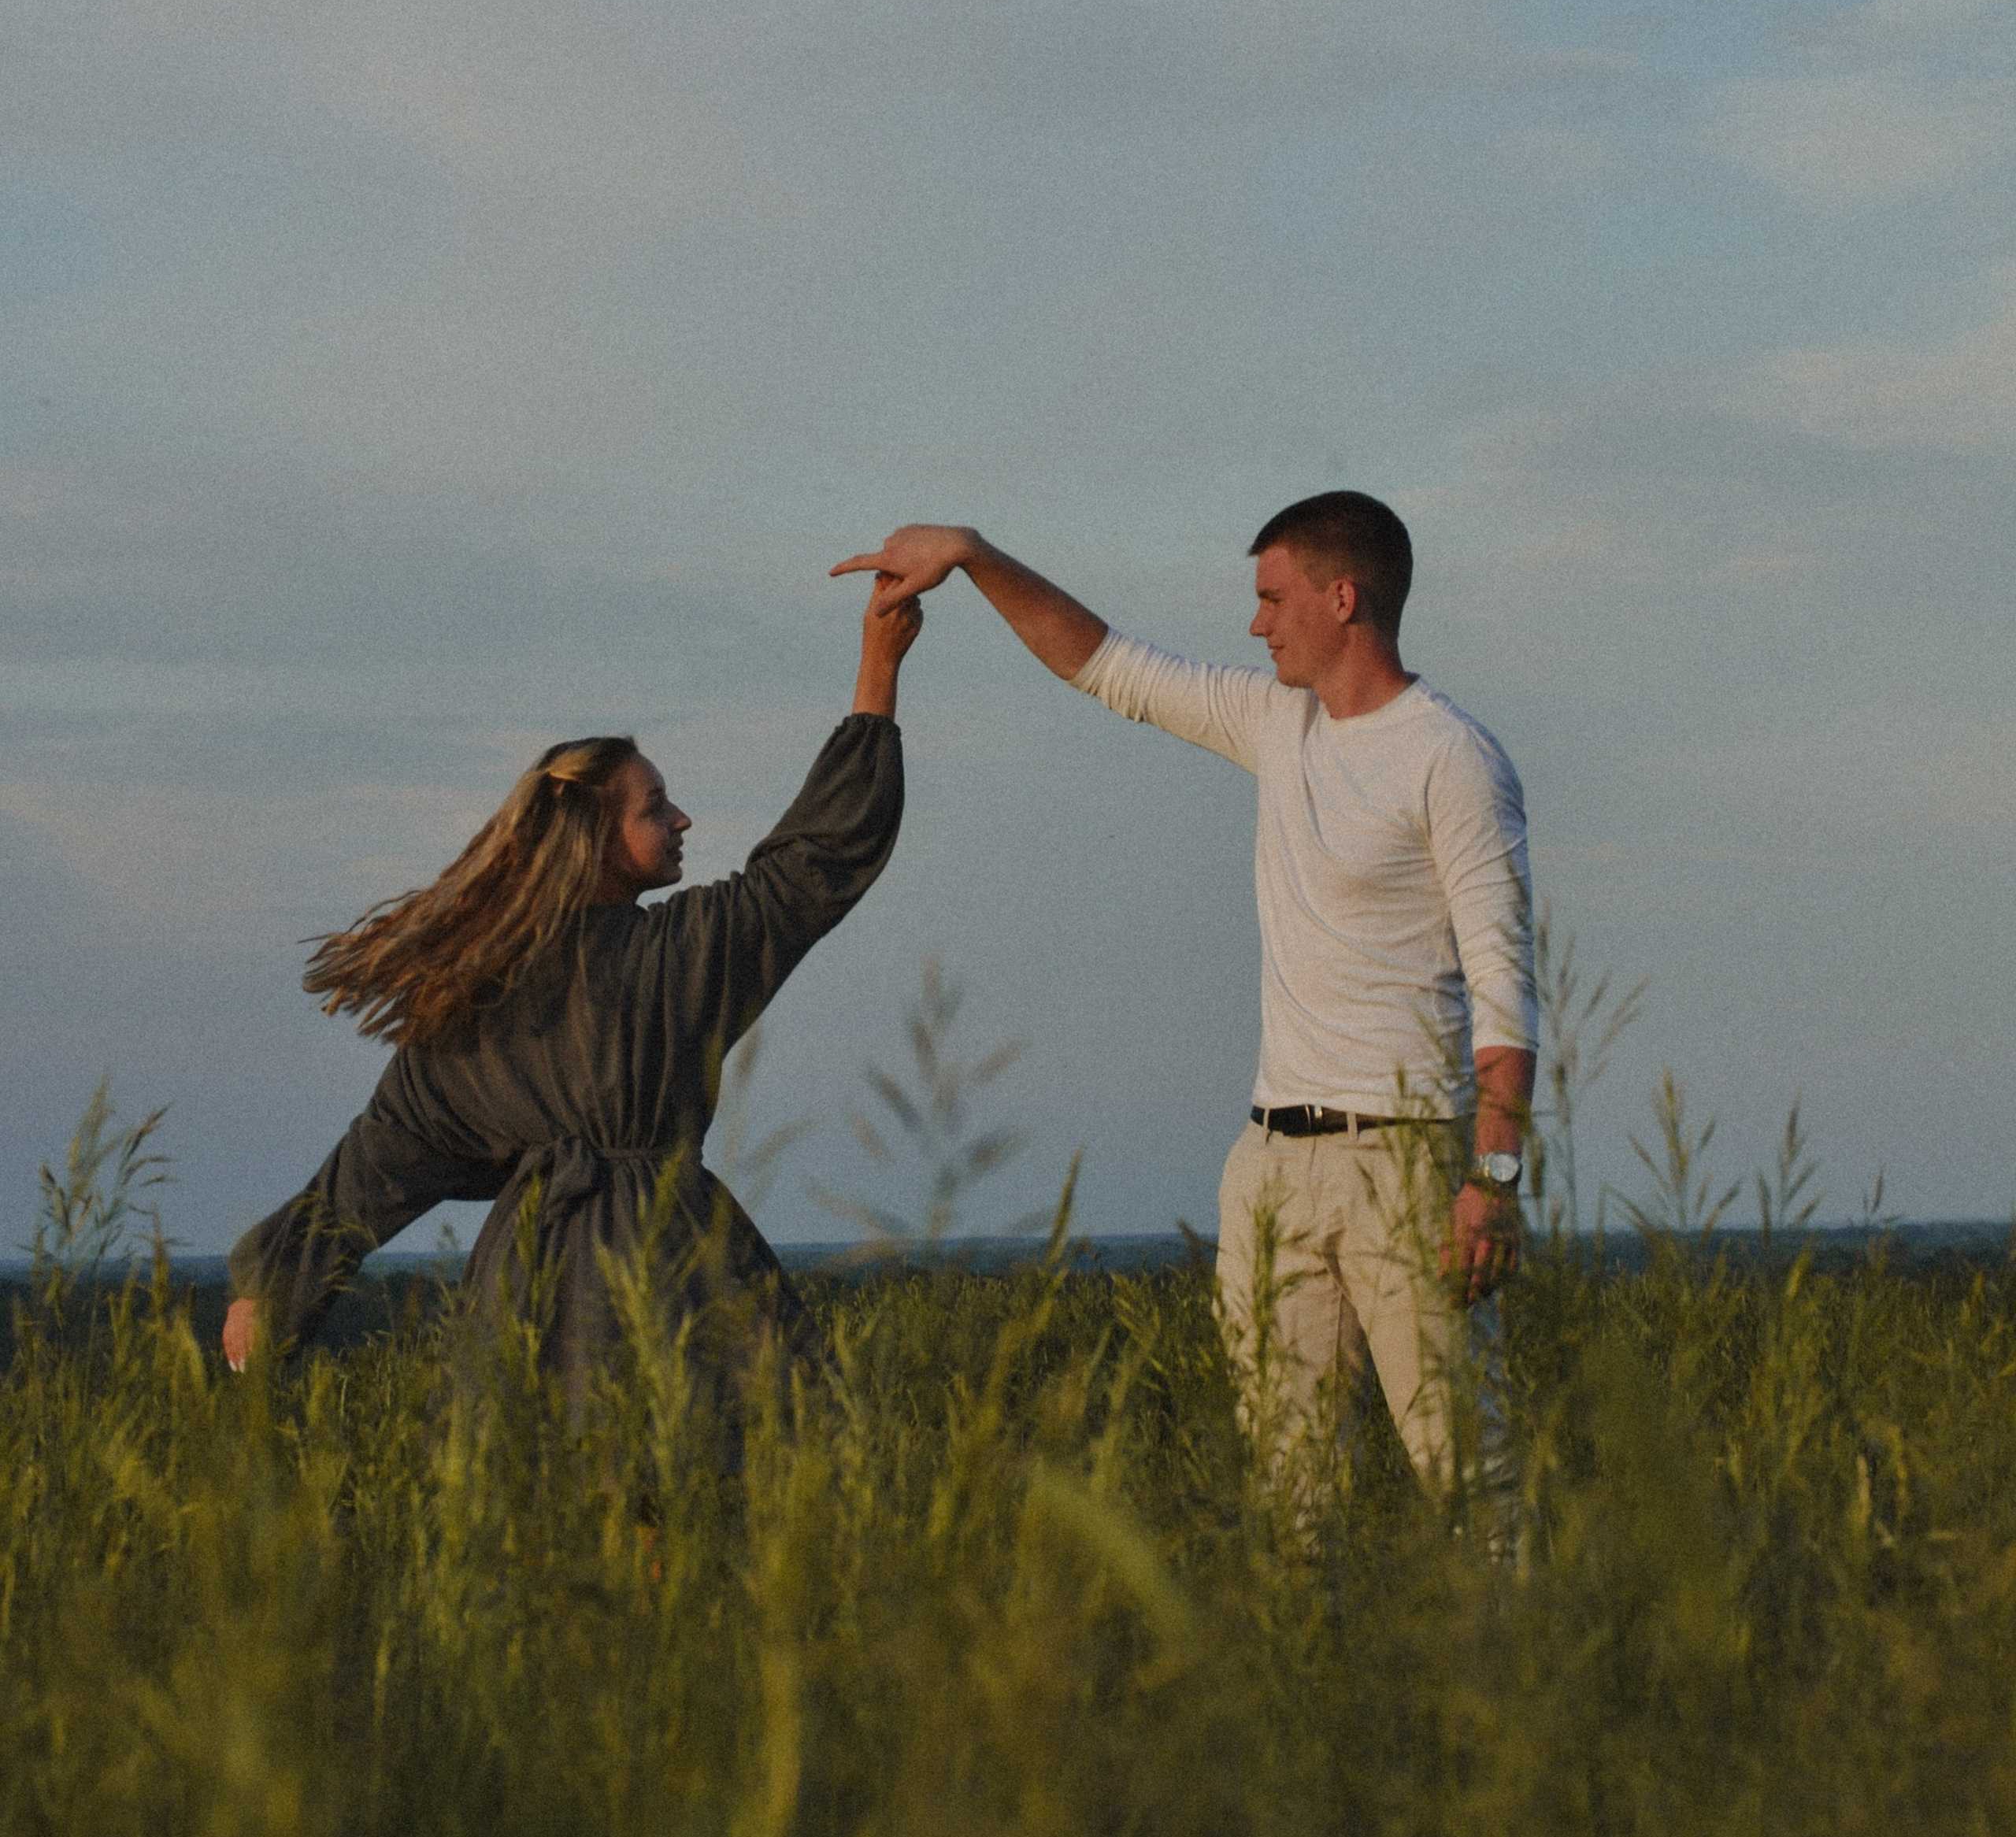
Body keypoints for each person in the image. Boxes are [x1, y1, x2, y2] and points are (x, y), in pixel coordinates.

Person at [833, 501, 1536, 1524]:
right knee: (1295, 1503)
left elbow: (1506, 993)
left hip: (1410, 1170)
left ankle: (1523, 1677)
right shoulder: (1275, 723)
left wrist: (1494, 1180)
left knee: (1472, 1485)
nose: (1256, 626)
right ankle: (1309, 1681)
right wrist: (975, 558)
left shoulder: (1452, 760)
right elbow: (1104, 664)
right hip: (1270, 1172)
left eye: (1272, 599)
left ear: (1345, 600)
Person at [223, 585, 921, 1411]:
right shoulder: (680, 951)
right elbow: (815, 863)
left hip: (526, 1303)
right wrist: (878, 671)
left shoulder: (475, 1001)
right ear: (596, 839)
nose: (682, 819)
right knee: (721, 1498)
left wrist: (272, 1291)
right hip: (677, 1274)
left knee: (548, 1514)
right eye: (655, 808)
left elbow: (377, 1164)